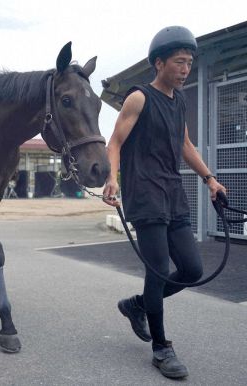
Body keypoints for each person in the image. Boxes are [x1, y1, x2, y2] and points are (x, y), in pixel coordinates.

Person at [102, 26, 227, 379]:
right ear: (159, 63)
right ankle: (161, 348)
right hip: (144, 194)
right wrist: (112, 178)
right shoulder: (139, 98)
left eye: (189, 62)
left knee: (191, 269)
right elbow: (114, 143)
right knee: (156, 270)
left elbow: (185, 144)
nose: (186, 69)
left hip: (173, 193)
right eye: (179, 62)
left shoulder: (180, 100)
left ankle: (137, 305)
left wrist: (209, 178)